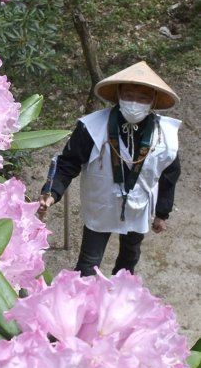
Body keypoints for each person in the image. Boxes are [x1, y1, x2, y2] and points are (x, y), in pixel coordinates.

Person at [38, 61, 181, 276]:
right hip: (101, 204)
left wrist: (162, 212)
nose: (135, 102)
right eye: (129, 95)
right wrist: (52, 193)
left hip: (138, 206)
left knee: (129, 258)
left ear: (152, 101)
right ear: (119, 95)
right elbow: (68, 162)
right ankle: (80, 302)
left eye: (142, 98)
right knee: (89, 261)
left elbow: (169, 174)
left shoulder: (165, 135)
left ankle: (119, 299)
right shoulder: (92, 127)